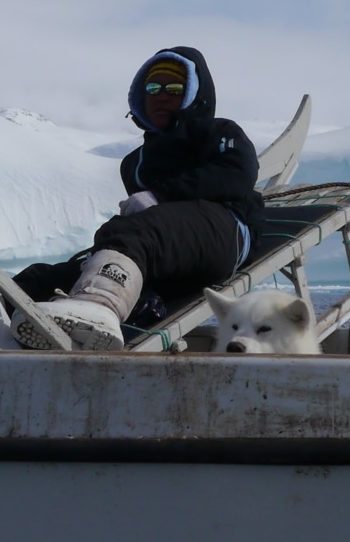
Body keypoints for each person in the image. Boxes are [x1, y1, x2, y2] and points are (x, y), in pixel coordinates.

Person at [14, 47, 263, 350]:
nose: (161, 95)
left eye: (174, 88)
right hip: (164, 251)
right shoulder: (134, 163)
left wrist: (161, 195)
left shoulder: (217, 131)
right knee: (46, 275)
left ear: (195, 94)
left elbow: (238, 173)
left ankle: (97, 306)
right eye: (152, 87)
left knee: (135, 231)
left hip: (223, 229)